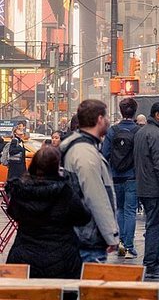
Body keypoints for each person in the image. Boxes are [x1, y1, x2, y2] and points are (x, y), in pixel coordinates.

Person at [6, 145, 91, 279]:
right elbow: (83, 217)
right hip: (63, 259)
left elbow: (13, 212)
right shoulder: (64, 191)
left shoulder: (21, 190)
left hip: (24, 257)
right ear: (56, 167)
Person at [60, 99, 120, 263]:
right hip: (87, 238)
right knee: (88, 279)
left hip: (81, 235)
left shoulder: (80, 147)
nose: (108, 121)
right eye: (106, 117)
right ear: (100, 119)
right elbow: (96, 197)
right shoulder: (85, 152)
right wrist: (111, 235)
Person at [133, 101, 159, 280]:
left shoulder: (141, 132)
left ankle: (151, 263)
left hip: (144, 186)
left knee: (152, 225)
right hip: (155, 188)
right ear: (157, 115)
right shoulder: (158, 135)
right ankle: (152, 264)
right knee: (156, 227)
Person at [102, 96, 139, 258]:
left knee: (119, 209)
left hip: (116, 176)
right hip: (132, 176)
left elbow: (104, 154)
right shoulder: (138, 131)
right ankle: (129, 246)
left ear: (120, 111)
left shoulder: (112, 131)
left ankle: (121, 243)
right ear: (135, 112)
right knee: (130, 211)